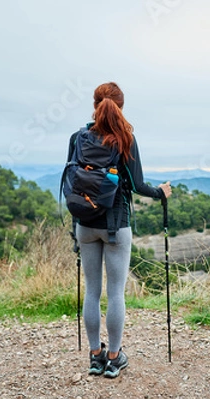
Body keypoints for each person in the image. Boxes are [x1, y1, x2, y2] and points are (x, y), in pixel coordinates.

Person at [67, 82, 172, 378]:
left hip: (84, 224)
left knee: (91, 291)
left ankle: (94, 355)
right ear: (120, 107)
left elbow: (73, 178)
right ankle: (114, 357)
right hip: (115, 225)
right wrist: (161, 192)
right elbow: (138, 186)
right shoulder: (125, 138)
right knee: (115, 293)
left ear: (95, 104)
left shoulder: (77, 137)